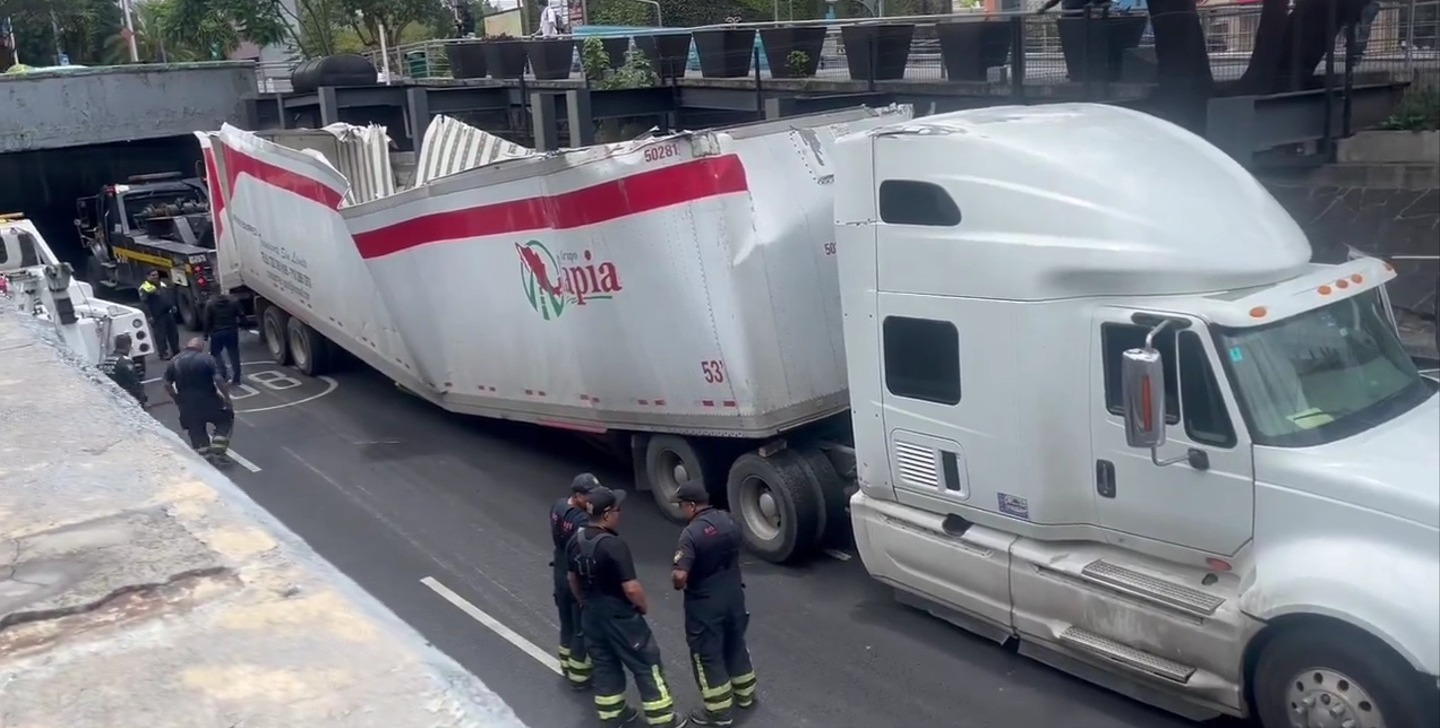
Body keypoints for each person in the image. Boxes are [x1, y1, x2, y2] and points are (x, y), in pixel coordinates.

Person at [568, 487, 687, 728]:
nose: (620, 515)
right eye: (618, 510)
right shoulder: (613, 545)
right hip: (619, 616)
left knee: (604, 663)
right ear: (607, 514)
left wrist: (584, 602)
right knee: (646, 662)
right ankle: (663, 719)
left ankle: (613, 717)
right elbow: (631, 588)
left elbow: (572, 579)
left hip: (591, 614)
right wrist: (642, 607)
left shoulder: (574, 540)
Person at [670, 481, 757, 727]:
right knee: (735, 642)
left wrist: (676, 582)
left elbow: (680, 576)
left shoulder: (690, 534)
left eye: (681, 506)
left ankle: (719, 712)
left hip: (705, 604)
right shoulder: (728, 520)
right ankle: (746, 694)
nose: (681, 511)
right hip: (733, 594)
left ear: (691, 505)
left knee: (707, 654)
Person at [551, 473, 598, 691]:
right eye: (589, 495)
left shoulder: (558, 507)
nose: (592, 499)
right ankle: (579, 676)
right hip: (573, 575)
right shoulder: (581, 520)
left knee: (566, 622)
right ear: (578, 495)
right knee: (581, 626)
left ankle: (566, 664)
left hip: (559, 570)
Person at [162, 337, 234, 463]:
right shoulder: (206, 359)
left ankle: (204, 455)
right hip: (209, 401)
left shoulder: (174, 361)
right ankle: (218, 448)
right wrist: (227, 399)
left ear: (186, 346)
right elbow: (218, 379)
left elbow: (167, 384)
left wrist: (176, 398)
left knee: (195, 429)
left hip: (187, 405)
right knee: (225, 419)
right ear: (200, 347)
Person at [202, 290, 243, 385]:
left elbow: (207, 320)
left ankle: (223, 373)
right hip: (231, 331)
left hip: (217, 333)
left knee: (216, 354)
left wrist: (205, 334)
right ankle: (237, 378)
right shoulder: (233, 302)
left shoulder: (210, 304)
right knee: (234, 354)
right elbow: (240, 314)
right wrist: (243, 324)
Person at [139, 270, 179, 359]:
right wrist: (149, 316)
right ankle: (163, 353)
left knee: (173, 333)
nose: (156, 277)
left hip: (168, 313)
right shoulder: (145, 288)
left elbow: (167, 296)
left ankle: (176, 351)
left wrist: (172, 306)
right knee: (160, 335)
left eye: (156, 275)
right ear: (148, 276)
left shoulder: (161, 284)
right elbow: (144, 304)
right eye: (153, 275)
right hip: (157, 316)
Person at [98, 333, 147, 407]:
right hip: (126, 399)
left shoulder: (107, 360)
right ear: (128, 345)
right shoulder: (125, 362)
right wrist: (141, 398)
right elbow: (134, 383)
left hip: (112, 398)